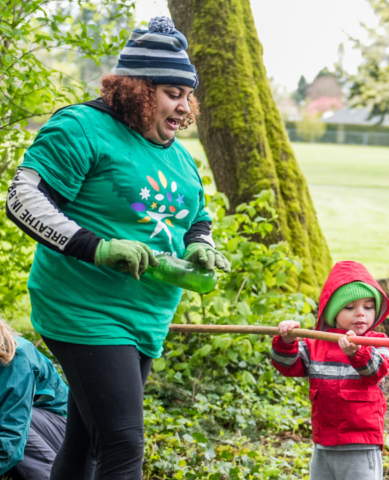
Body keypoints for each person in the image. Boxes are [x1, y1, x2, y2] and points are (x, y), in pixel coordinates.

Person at [6, 16, 230, 480]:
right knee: (123, 443)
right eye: (173, 93)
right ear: (136, 89)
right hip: (84, 309)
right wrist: (99, 248)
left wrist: (201, 244)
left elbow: (197, 217)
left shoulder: (180, 159)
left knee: (86, 441)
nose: (185, 107)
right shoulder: (82, 127)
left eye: (188, 95)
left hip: (146, 318)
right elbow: (23, 197)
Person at [271, 261, 389, 480]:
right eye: (349, 307)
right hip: (323, 444)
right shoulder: (316, 342)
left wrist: (358, 352)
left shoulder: (379, 342)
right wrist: (287, 341)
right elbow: (288, 366)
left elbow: (377, 370)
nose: (360, 314)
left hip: (360, 445)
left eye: (368, 306)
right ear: (333, 311)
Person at [0, 318, 92, 480]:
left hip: (67, 437)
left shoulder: (16, 357)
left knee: (12, 421)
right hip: (25, 432)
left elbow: (13, 433)